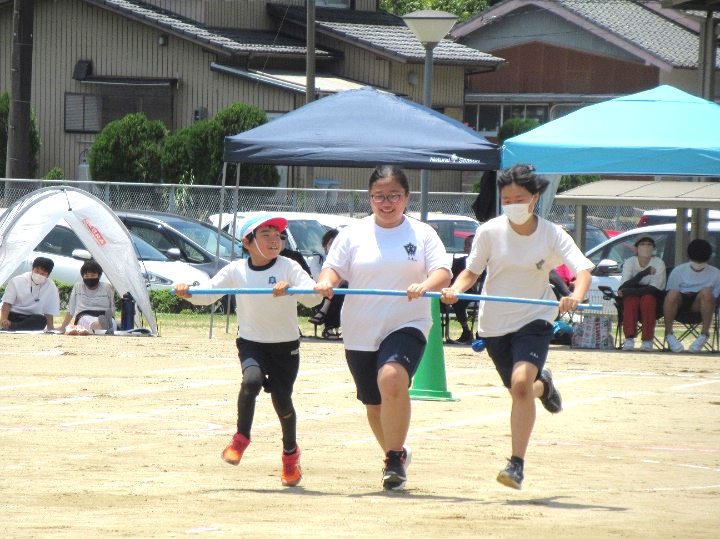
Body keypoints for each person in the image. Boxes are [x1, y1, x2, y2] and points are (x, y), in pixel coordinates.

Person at [440, 163, 594, 491]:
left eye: (519, 198)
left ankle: (516, 464)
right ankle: (546, 387)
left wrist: (576, 296)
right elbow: (471, 272)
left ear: (535, 197)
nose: (512, 204)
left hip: (535, 318)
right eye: (506, 199)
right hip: (495, 324)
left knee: (521, 384)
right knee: (520, 390)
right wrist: (456, 289)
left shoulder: (551, 233)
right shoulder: (489, 232)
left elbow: (582, 270)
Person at [314, 165, 451, 491]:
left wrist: (425, 285)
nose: (386, 203)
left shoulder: (422, 234)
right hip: (361, 325)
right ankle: (399, 453)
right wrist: (326, 283)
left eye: (394, 196)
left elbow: (443, 273)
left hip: (408, 321)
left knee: (392, 379)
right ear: (369, 198)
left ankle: (391, 460)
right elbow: (333, 269)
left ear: (406, 197)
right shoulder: (352, 233)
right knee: (374, 403)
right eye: (379, 196)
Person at [174, 214, 320, 487]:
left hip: (285, 345)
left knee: (282, 400)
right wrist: (188, 292)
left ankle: (290, 454)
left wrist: (293, 289)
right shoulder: (235, 270)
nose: (274, 240)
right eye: (265, 234)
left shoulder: (289, 266)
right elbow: (207, 293)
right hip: (252, 341)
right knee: (250, 382)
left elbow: (314, 297)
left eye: (278, 235)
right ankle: (241, 439)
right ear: (247, 242)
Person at [663, 238, 720, 353]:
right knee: (672, 293)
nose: (698, 265)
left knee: (706, 292)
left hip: (701, 305)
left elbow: (715, 297)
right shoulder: (678, 271)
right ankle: (669, 334)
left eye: (701, 261)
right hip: (680, 304)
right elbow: (669, 294)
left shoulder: (716, 273)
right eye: (696, 261)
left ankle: (704, 334)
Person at [618, 234, 666, 352]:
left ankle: (647, 340)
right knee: (631, 300)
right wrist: (643, 273)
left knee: (647, 299)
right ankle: (629, 338)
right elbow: (625, 285)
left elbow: (654, 289)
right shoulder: (629, 262)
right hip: (632, 293)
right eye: (643, 244)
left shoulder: (659, 263)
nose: (646, 247)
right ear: (635, 248)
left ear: (654, 248)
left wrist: (627, 291)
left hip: (653, 296)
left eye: (649, 244)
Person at [0, 257, 60, 331]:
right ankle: (13, 326)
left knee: (41, 320)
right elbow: (7, 303)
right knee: (14, 319)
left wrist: (50, 328)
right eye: (36, 271)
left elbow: (49, 309)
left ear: (48, 275)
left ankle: (14, 327)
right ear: (32, 269)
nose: (38, 275)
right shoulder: (17, 281)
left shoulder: (50, 286)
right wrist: (4, 319)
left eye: (42, 273)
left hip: (32, 317)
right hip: (14, 314)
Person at [59, 260, 117, 335]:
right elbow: (71, 308)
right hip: (84, 314)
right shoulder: (78, 286)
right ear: (82, 276)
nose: (89, 278)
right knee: (91, 323)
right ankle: (93, 329)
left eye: (93, 275)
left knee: (111, 323)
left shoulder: (106, 287)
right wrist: (63, 326)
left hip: (103, 314)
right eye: (86, 276)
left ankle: (89, 330)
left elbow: (112, 306)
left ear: (99, 276)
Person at [308, 228, 346, 339]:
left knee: (341, 290)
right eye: (330, 243)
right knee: (338, 289)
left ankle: (323, 312)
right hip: (319, 292)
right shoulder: (318, 259)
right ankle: (328, 327)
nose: (333, 246)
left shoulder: (344, 260)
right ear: (325, 245)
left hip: (339, 293)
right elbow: (317, 278)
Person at [448, 234, 478, 344]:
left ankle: (482, 333)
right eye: (466, 245)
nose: (467, 247)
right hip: (461, 291)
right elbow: (452, 277)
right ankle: (466, 330)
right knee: (457, 301)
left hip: (480, 292)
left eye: (470, 245)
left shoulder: (487, 262)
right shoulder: (460, 262)